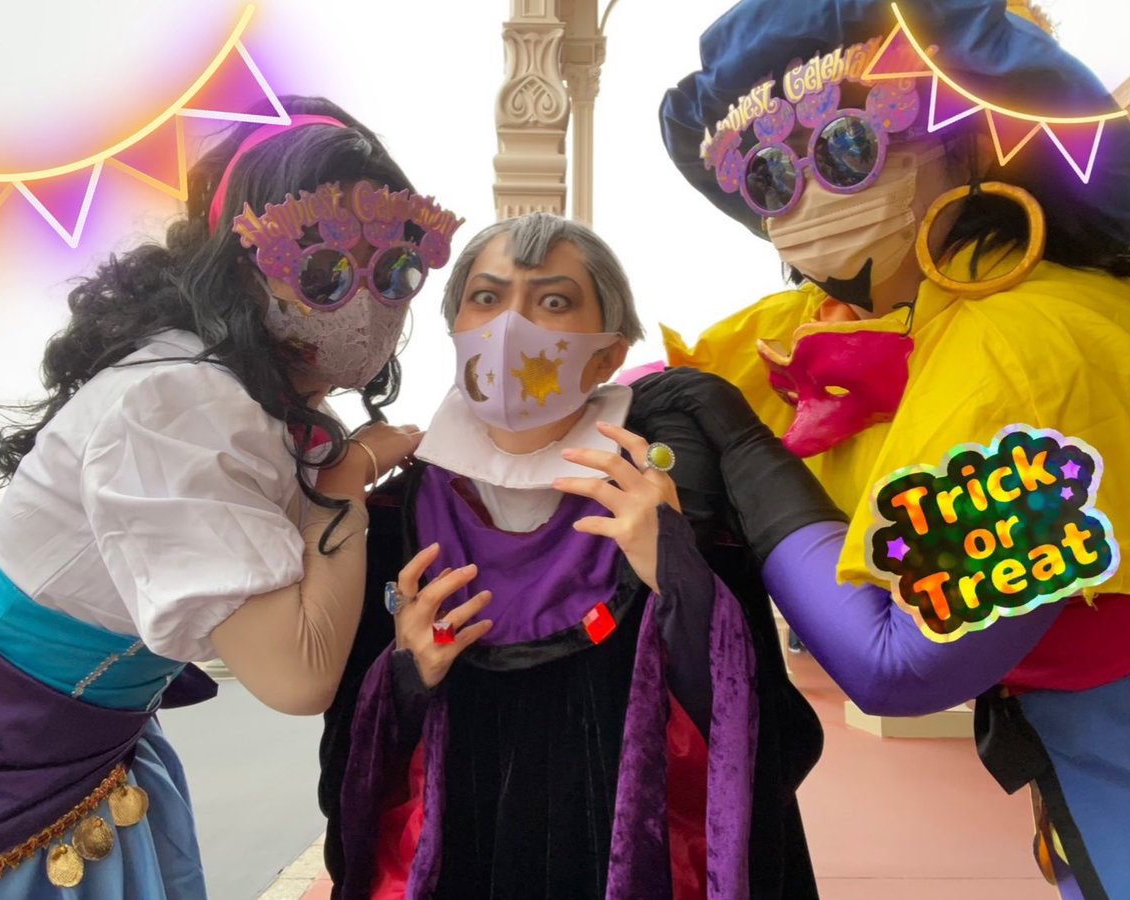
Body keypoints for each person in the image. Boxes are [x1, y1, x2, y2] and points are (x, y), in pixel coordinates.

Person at [0, 96, 462, 898]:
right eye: (323, 271)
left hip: (86, 753)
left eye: (396, 270)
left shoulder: (260, 400)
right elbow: (297, 674)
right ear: (241, 267)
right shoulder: (181, 405)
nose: (366, 301)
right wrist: (346, 478)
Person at [659, 2, 1130, 896]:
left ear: (966, 143)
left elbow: (901, 664)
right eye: (767, 177)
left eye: (847, 148)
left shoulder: (1028, 345)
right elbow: (648, 391)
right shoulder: (858, 317)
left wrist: (746, 454)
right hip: (1071, 772)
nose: (806, 201)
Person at [318, 213, 842, 899]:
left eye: (554, 301)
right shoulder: (397, 518)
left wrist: (680, 580)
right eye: (486, 297)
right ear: (455, 329)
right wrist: (406, 674)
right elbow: (355, 773)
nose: (512, 325)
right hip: (467, 855)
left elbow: (765, 742)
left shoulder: (671, 506)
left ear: (607, 355)